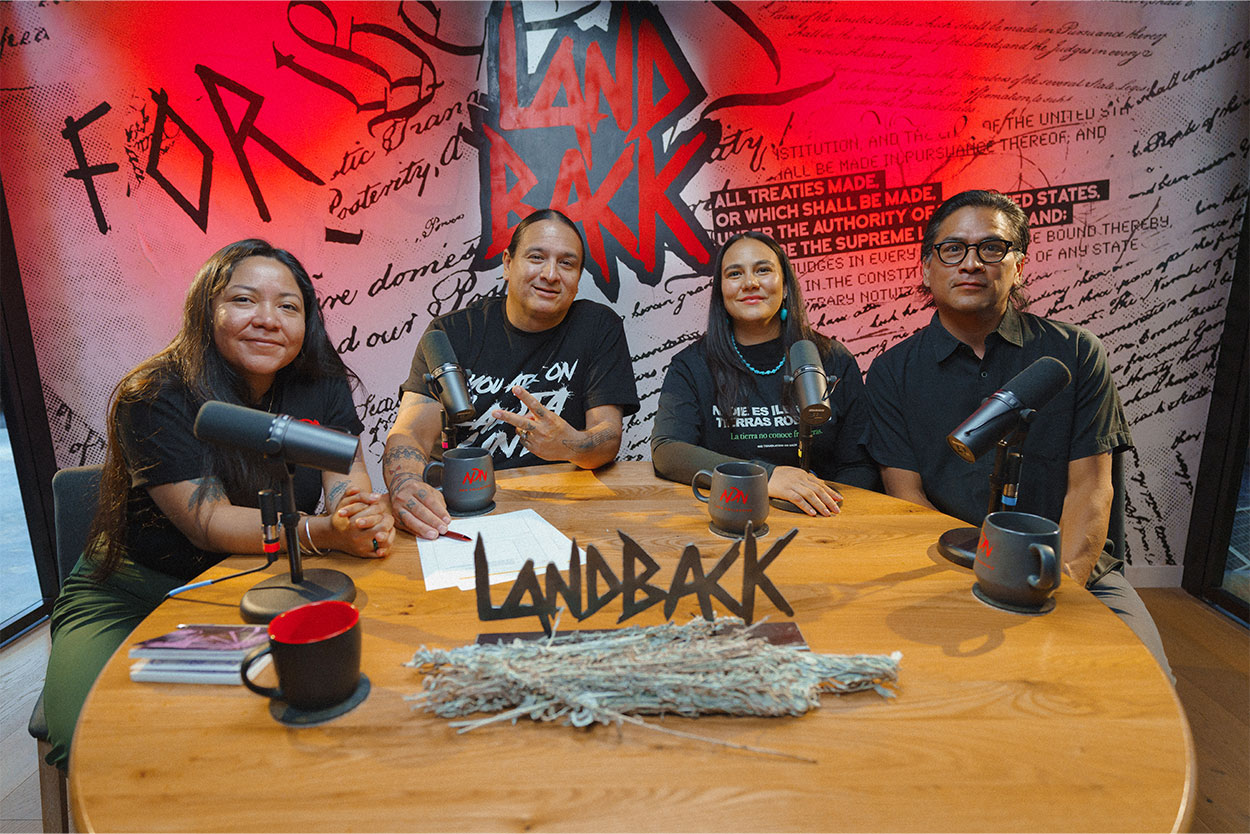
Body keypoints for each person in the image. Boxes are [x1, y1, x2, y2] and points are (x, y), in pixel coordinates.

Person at [40, 239, 395, 769]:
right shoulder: (154, 393)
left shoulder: (319, 382)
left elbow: (345, 476)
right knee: (95, 748)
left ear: (308, 323)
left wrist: (357, 513)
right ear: (207, 311)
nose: (268, 319)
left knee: (267, 744)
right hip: (136, 592)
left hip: (259, 583)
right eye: (245, 300)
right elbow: (208, 522)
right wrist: (322, 532)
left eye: (289, 306)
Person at [861, 189, 1172, 677]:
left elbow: (1091, 488)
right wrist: (973, 587)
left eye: (991, 248)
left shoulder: (1075, 354)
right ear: (927, 268)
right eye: (952, 249)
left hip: (1068, 570)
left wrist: (1061, 586)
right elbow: (908, 497)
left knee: (1144, 685)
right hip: (950, 568)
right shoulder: (890, 372)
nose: (971, 264)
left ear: (1019, 266)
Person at [386, 209, 640, 538]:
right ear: (508, 264)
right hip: (459, 511)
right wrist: (405, 483)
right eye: (537, 257)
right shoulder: (453, 332)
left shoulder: (598, 327)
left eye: (567, 263)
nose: (550, 274)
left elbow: (608, 437)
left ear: (578, 277)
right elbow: (411, 433)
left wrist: (566, 444)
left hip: (558, 508)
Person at [651, 231, 879, 515]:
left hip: (823, 522)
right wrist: (764, 477)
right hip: (731, 516)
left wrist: (830, 513)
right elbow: (668, 451)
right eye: (735, 274)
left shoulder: (833, 359)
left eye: (763, 270)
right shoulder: (691, 365)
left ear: (784, 287)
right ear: (721, 292)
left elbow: (858, 465)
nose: (750, 283)